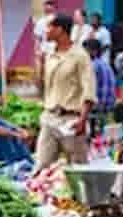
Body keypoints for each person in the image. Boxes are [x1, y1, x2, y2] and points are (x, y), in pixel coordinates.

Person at [36, 13, 95, 170]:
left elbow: (89, 90)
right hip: (50, 117)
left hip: (71, 120)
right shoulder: (49, 55)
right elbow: (43, 86)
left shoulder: (80, 56)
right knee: (41, 167)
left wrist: (82, 120)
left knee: (78, 170)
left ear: (60, 30)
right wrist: (39, 66)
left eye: (49, 27)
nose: (46, 30)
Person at [86, 38, 116, 113]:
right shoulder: (103, 64)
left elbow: (104, 86)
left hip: (99, 105)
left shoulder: (97, 65)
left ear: (94, 51)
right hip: (103, 103)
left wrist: (101, 104)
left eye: (87, 50)